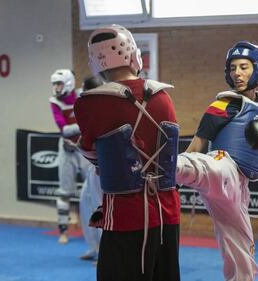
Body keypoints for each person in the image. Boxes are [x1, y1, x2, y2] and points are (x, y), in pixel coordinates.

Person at [176, 40, 258, 281]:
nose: (236, 73)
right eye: (232, 68)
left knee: (242, 253)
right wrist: (173, 181)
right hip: (222, 165)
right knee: (211, 166)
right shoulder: (223, 103)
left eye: (243, 67)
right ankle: (165, 167)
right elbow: (197, 146)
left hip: (241, 186)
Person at [74, 24, 181, 281]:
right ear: (134, 55)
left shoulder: (90, 104)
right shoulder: (163, 96)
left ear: (95, 63)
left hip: (125, 214)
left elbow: (92, 154)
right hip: (167, 211)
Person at [49, 69, 91, 244]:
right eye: (54, 85)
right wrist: (84, 126)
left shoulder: (82, 96)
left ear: (68, 82)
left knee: (92, 190)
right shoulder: (54, 102)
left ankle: (94, 230)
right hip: (67, 150)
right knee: (64, 192)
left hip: (84, 148)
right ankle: (63, 231)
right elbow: (64, 129)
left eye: (59, 84)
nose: (56, 88)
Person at [78, 76, 104, 261]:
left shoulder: (103, 108)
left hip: (100, 166)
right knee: (85, 204)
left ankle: (105, 253)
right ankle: (93, 248)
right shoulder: (86, 109)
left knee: (99, 208)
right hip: (89, 164)